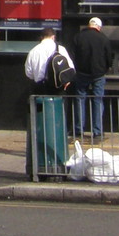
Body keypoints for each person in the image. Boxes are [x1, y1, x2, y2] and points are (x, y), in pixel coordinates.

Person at [23, 27, 72, 176]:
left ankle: (38, 164)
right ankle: (57, 162)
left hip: (38, 90)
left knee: (38, 124)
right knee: (57, 123)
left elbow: (29, 73)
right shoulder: (60, 49)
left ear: (41, 37)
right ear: (53, 36)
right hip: (57, 90)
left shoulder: (33, 51)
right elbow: (70, 68)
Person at [69, 16, 114, 140]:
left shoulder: (78, 37)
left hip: (82, 73)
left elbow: (72, 55)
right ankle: (97, 131)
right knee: (97, 100)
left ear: (89, 25)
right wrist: (107, 67)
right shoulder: (103, 38)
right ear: (99, 27)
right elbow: (109, 57)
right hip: (98, 74)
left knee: (79, 99)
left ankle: (78, 130)